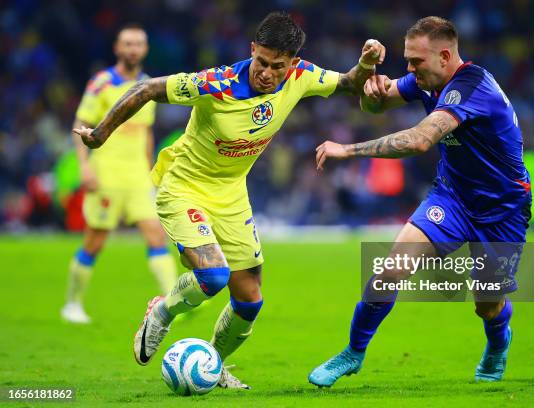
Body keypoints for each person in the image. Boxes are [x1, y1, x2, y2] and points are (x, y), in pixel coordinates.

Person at [74, 12, 385, 389]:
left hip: (232, 193)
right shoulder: (215, 83)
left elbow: (352, 83)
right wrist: (100, 134)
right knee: (213, 276)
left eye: (277, 67)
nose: (267, 73)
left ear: (292, 64)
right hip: (183, 186)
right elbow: (147, 89)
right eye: (262, 62)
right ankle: (163, 310)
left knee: (250, 299)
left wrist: (367, 63)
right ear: (252, 49)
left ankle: (212, 364)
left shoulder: (303, 76)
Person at [309, 16, 531, 387]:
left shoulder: (472, 87)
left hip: (502, 208)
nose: (409, 69)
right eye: (407, 60)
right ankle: (353, 352)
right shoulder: (427, 80)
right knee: (389, 271)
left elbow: (419, 141)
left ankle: (498, 340)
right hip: (453, 197)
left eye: (416, 62)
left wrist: (347, 149)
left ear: (445, 56)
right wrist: (371, 84)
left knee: (486, 304)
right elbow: (374, 108)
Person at [61, 24, 177, 324]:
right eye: (127, 43)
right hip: (107, 175)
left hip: (137, 176)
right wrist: (85, 167)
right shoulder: (102, 82)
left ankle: (175, 303)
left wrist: (152, 170)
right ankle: (72, 304)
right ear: (117, 48)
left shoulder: (149, 85)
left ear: (146, 49)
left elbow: (147, 133)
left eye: (138, 43)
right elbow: (81, 123)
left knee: (155, 234)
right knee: (95, 240)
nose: (133, 49)